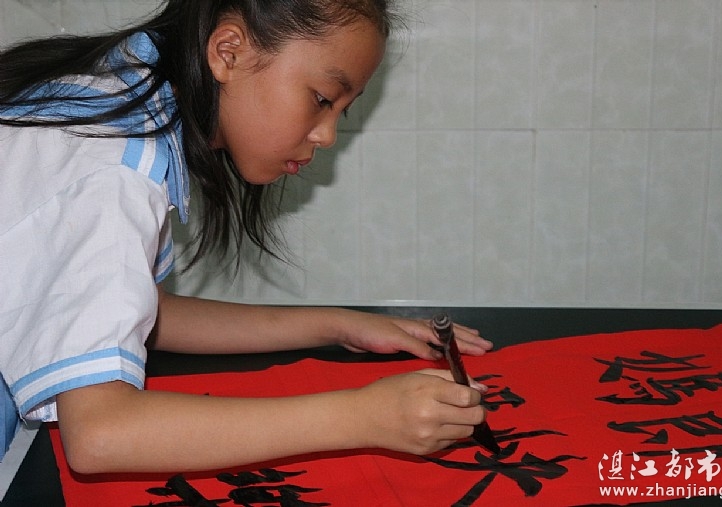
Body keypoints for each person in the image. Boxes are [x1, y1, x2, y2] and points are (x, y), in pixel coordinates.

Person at [0, 0, 493, 474]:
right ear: (228, 52)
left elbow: (135, 312)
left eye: (340, 111)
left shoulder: (123, 88)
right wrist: (364, 417)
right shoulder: (111, 171)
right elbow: (101, 433)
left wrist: (339, 325)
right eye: (322, 99)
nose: (327, 135)